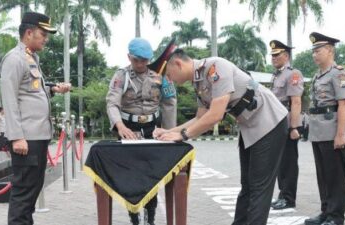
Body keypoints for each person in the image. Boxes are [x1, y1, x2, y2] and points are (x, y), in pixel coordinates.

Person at [153, 48, 288, 225]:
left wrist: (183, 135)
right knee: (247, 185)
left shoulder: (215, 67)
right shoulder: (198, 81)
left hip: (270, 122)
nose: (169, 80)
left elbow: (215, 115)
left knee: (259, 187)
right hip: (251, 128)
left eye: (168, 74)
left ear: (178, 64)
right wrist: (171, 132)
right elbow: (200, 117)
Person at [1, 12, 71, 225]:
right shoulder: (14, 59)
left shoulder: (31, 58)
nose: (46, 38)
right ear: (29, 33)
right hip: (26, 140)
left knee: (31, 194)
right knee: (23, 196)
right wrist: (16, 137)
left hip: (37, 137)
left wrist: (53, 90)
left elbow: (30, 94)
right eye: (43, 34)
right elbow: (10, 100)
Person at [106, 38, 177, 225]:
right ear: (129, 56)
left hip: (152, 129)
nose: (140, 64)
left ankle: (150, 217)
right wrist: (120, 126)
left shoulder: (160, 76)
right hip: (128, 129)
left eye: (144, 60)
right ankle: (134, 217)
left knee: (151, 175)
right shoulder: (121, 76)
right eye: (136, 60)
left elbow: (169, 104)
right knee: (131, 177)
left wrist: (170, 133)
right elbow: (112, 103)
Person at [304, 32, 345, 225]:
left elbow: (344, 104)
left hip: (332, 132)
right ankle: (326, 211)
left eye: (318, 50)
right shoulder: (317, 76)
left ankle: (336, 216)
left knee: (335, 175)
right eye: (313, 51)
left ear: (330, 50)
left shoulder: (338, 73)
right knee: (323, 175)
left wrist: (340, 134)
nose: (314, 54)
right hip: (318, 132)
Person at [269, 40, 304, 210]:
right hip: (276, 122)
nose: (273, 58)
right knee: (280, 163)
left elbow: (296, 102)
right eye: (272, 55)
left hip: (287, 122)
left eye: (277, 55)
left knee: (289, 163)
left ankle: (289, 198)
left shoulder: (293, 74)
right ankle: (282, 194)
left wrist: (294, 127)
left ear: (286, 56)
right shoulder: (276, 75)